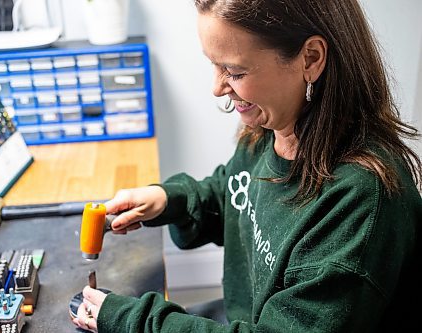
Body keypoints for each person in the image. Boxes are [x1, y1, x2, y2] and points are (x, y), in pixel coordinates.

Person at [73, 0, 422, 331]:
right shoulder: (275, 125)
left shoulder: (359, 202)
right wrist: (168, 199)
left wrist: (135, 321)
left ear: (311, 59)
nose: (216, 87)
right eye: (213, 63)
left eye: (234, 71)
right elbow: (236, 192)